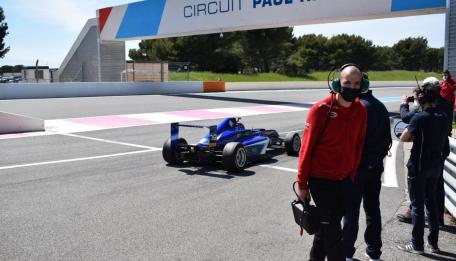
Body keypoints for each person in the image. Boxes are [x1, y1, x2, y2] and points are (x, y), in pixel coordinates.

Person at [296, 64, 367, 261]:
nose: (352, 87)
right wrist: (302, 183)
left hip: (346, 181)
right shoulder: (320, 110)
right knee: (334, 234)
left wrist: (352, 174)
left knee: (325, 228)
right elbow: (305, 149)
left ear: (362, 85)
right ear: (337, 83)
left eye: (356, 83)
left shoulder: (361, 110)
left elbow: (358, 146)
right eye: (347, 83)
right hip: (321, 180)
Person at [397, 81, 449, 254]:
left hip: (418, 166)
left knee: (417, 205)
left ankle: (417, 244)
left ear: (421, 99)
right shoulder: (443, 116)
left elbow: (404, 137)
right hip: (435, 166)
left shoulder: (420, 117)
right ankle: (433, 243)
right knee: (432, 204)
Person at [343, 89, 392, 261]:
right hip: (375, 166)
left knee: (351, 212)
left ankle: (347, 252)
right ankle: (374, 253)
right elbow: (388, 138)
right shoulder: (380, 106)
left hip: (356, 168)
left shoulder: (357, 107)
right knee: (373, 210)